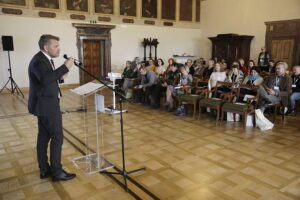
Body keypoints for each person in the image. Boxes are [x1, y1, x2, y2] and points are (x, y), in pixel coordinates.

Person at [28, 34, 76, 182]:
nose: (58, 49)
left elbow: (47, 79)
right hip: (47, 106)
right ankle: (57, 172)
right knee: (57, 137)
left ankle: (44, 169)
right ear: (46, 47)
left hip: (44, 105)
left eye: (58, 46)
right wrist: (65, 67)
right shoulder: (38, 61)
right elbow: (45, 79)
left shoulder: (43, 59)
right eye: (55, 46)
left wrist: (60, 78)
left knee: (43, 137)